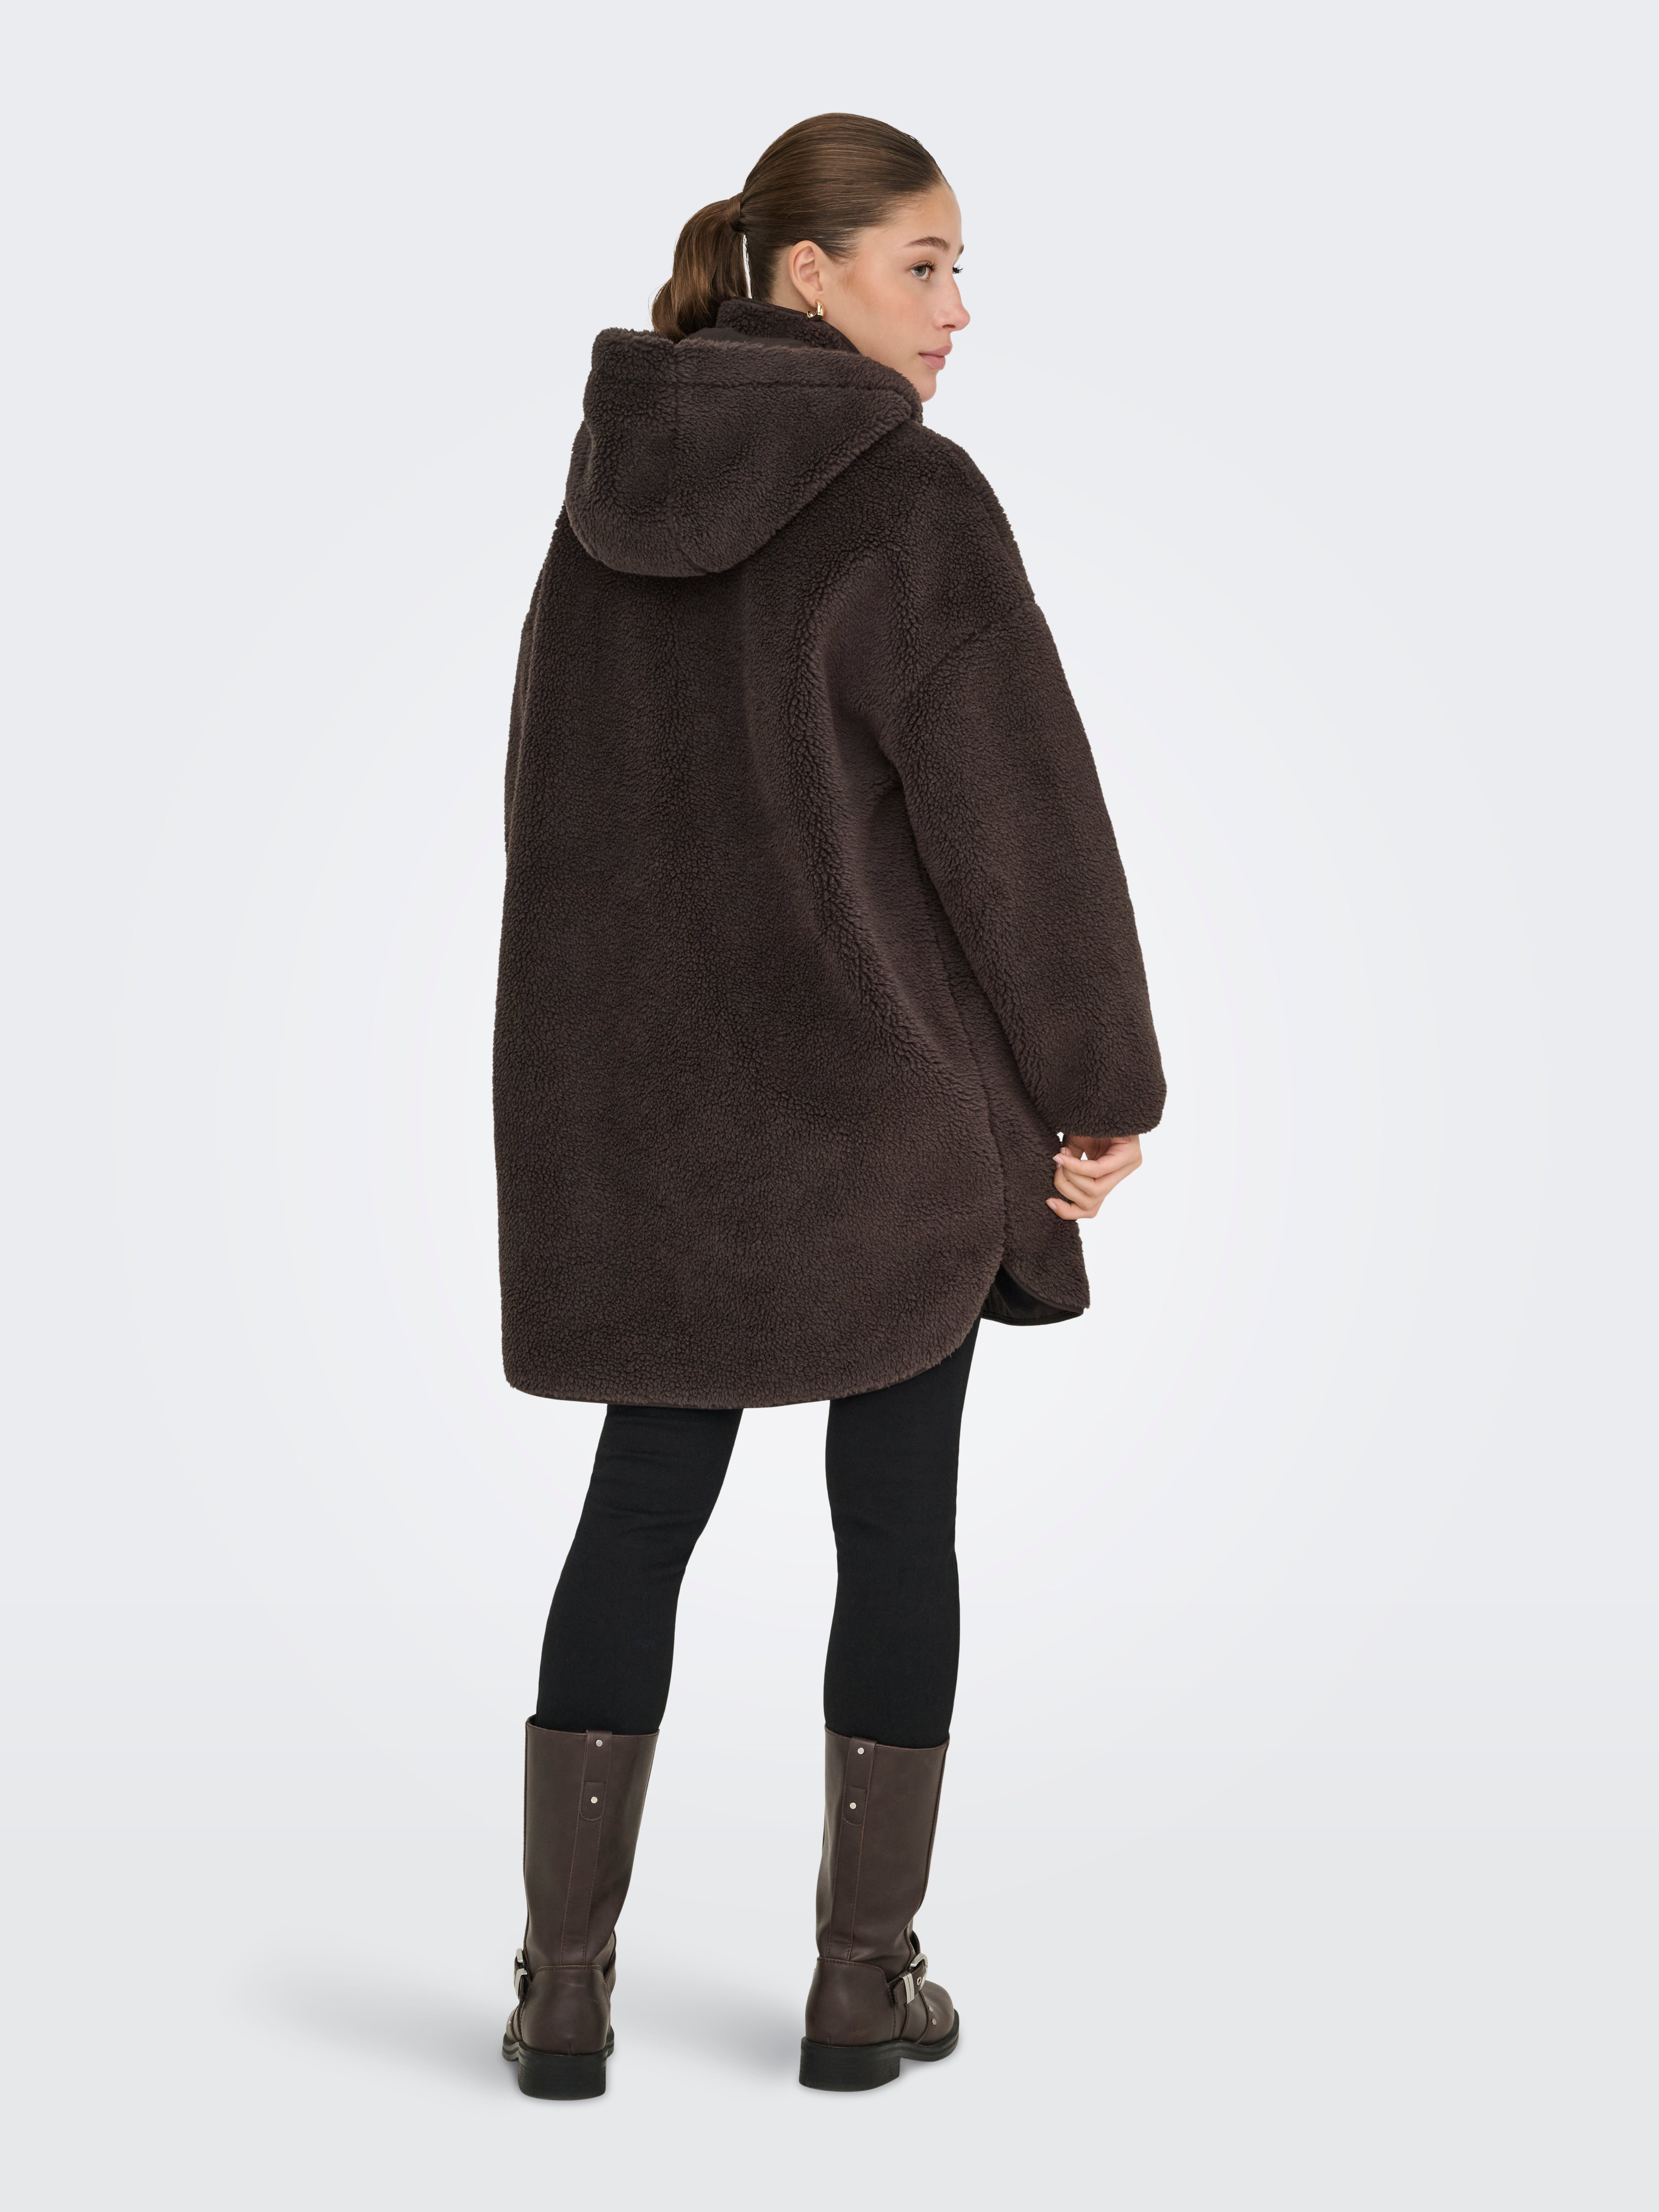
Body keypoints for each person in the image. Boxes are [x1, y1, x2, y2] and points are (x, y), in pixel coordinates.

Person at [494, 111, 1165, 2099]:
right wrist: (1101, 1081)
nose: (957, 310)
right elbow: (1024, 831)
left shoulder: (602, 497)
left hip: (656, 1134)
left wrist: (588, 1102)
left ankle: (562, 1993)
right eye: (924, 264)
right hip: (883, 1117)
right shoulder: (911, 499)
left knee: (640, 1506)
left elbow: (553, 822)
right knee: (896, 1520)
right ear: (813, 272)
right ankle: (861, 1991)